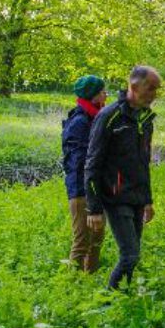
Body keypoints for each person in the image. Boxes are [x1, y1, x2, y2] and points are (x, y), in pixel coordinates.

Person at [85, 66, 161, 290]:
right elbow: (92, 163)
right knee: (129, 255)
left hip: (137, 195)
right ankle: (110, 300)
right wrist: (94, 208)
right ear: (134, 86)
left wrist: (147, 200)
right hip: (115, 196)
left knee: (133, 256)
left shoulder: (146, 119)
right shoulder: (109, 116)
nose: (154, 94)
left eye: (157, 89)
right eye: (151, 88)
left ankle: (123, 298)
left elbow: (143, 163)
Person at [62, 75, 108, 272]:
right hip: (81, 189)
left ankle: (90, 278)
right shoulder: (80, 122)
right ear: (93, 96)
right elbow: (79, 161)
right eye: (102, 91)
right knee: (82, 239)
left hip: (95, 188)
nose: (106, 94)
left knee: (97, 237)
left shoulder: (94, 117)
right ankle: (73, 285)